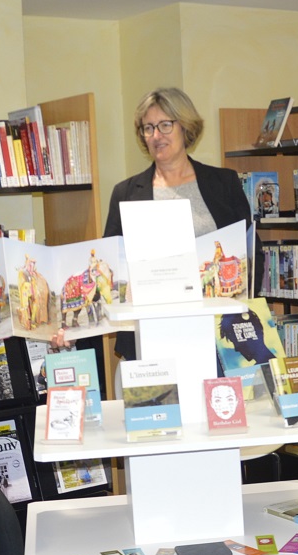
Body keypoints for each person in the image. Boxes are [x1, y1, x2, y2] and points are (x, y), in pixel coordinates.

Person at [56, 87, 254, 358]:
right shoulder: (125, 193)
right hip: (147, 339)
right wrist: (70, 332)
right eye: (148, 128)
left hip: (215, 335)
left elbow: (252, 252)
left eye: (165, 125)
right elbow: (110, 270)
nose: (156, 136)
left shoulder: (224, 183)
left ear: (185, 126)